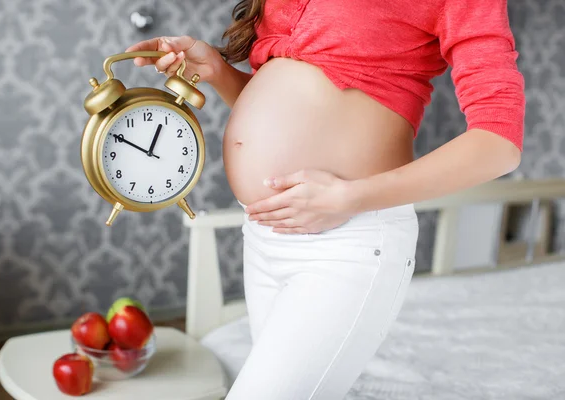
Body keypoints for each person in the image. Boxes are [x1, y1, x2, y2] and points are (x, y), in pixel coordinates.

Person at [126, 0, 525, 398]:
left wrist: (349, 197)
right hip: (267, 236)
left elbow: (499, 142)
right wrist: (216, 70)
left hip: (348, 243)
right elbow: (293, 99)